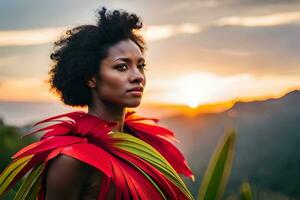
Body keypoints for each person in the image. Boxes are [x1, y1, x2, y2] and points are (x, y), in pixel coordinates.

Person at [0, 7, 194, 200]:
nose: (137, 77)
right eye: (122, 67)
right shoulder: (72, 159)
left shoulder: (145, 144)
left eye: (141, 66)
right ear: (91, 78)